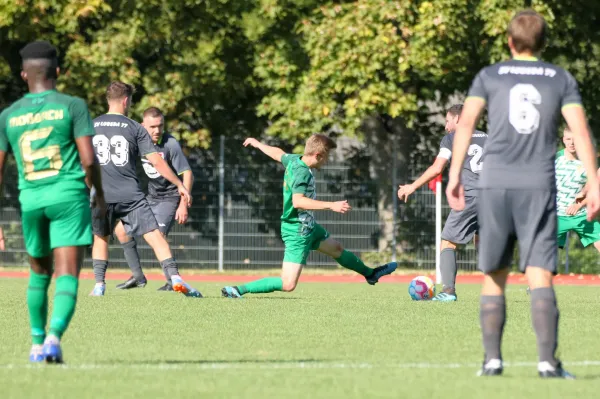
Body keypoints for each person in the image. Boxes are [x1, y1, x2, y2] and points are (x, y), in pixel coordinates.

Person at [446, 10, 600, 379]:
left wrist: (454, 174)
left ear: (510, 42)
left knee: (494, 275)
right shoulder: (560, 78)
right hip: (537, 185)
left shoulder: (489, 75)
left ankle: (492, 362)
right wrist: (594, 182)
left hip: (494, 184)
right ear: (543, 43)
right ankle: (547, 363)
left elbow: (465, 124)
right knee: (540, 275)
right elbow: (580, 131)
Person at [0, 41, 105, 363]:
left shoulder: (8, 115)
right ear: (57, 71)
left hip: (31, 200)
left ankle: (34, 343)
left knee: (38, 273)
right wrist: (98, 193)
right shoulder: (72, 106)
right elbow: (88, 160)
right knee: (67, 273)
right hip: (68, 197)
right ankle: (53, 338)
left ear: (23, 75)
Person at [221, 135, 397, 298]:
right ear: (318, 154)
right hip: (297, 230)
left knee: (337, 249)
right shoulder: (302, 173)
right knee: (288, 284)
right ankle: (238, 290)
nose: (327, 161)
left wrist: (258, 144)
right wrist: (331, 205)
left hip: (308, 226)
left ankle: (370, 274)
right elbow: (298, 202)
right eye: (327, 157)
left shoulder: (295, 160)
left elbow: (278, 153)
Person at [90, 82, 201, 298]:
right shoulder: (135, 127)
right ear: (125, 101)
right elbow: (156, 162)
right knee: (154, 236)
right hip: (130, 194)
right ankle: (175, 277)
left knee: (101, 238)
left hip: (101, 194)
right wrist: (179, 185)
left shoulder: (90, 125)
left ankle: (99, 286)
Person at [398, 104, 487, 301]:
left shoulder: (452, 138)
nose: (446, 126)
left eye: (447, 121)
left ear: (458, 119)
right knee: (481, 240)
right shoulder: (488, 138)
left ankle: (448, 292)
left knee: (447, 242)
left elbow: (438, 168)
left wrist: (412, 186)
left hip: (470, 195)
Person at [115, 107, 194, 291]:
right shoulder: (138, 141)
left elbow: (188, 174)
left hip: (169, 198)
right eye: (152, 127)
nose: (157, 131)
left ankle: (172, 280)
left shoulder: (170, 144)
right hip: (150, 196)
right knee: (121, 230)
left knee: (157, 235)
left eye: (160, 126)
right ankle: (137, 276)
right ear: (143, 125)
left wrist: (183, 204)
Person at [555, 127, 600, 252]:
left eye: (575, 139)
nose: (572, 143)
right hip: (557, 216)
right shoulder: (555, 159)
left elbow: (594, 189)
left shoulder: (589, 162)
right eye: (568, 139)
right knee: (542, 251)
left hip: (581, 215)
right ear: (564, 140)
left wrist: (578, 205)